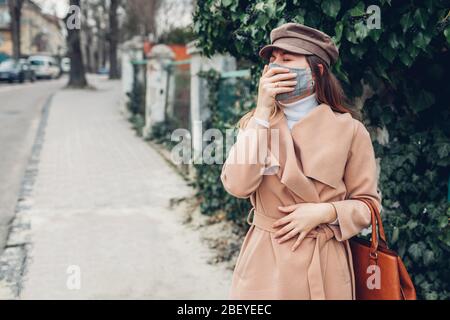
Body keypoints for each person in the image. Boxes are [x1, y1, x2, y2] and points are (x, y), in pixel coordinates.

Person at [220, 23, 382, 300]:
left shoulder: (349, 130)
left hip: (325, 263)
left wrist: (326, 212)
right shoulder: (256, 123)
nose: (275, 66)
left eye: (287, 59)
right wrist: (261, 111)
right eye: (272, 60)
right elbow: (236, 185)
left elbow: (369, 206)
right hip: (265, 264)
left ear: (316, 70)